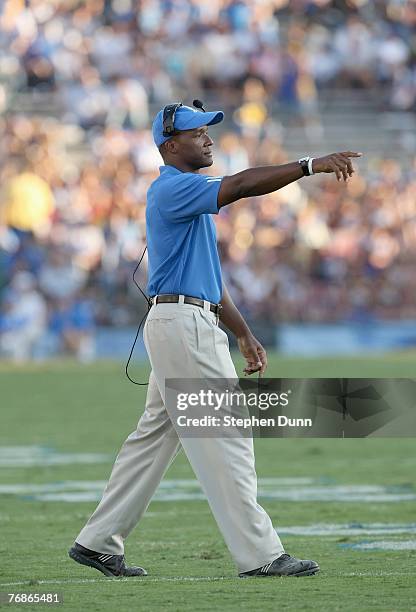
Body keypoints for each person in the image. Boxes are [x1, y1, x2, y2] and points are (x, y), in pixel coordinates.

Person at [69, 102, 361, 578]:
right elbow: (243, 184)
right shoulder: (176, 188)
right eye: (195, 133)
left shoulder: (186, 192)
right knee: (225, 435)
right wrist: (309, 165)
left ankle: (97, 540)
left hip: (182, 321)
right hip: (184, 327)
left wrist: (243, 333)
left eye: (206, 131)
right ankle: (260, 555)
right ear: (170, 146)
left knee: (154, 439)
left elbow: (209, 283)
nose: (207, 139)